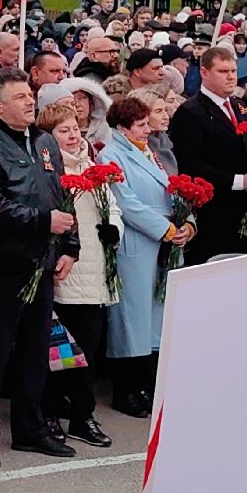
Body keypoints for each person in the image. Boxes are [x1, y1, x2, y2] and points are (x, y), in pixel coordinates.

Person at [0, 70, 77, 467]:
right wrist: (43, 221)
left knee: (34, 352)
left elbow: (61, 193)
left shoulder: (44, 141)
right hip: (2, 266)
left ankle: (31, 430)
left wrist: (70, 246)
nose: (30, 102)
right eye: (20, 97)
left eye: (30, 95)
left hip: (41, 262)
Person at [37, 98, 114, 448]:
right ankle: (50, 412)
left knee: (89, 349)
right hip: (66, 273)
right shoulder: (50, 172)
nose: (71, 136)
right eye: (62, 131)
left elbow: (111, 206)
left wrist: (114, 226)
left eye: (74, 129)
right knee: (59, 353)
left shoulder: (91, 166)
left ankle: (83, 415)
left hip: (95, 270)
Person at [96, 95, 178, 419]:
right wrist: (166, 228)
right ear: (122, 127)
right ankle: (125, 388)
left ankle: (145, 384)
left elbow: (171, 191)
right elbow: (126, 203)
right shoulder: (112, 156)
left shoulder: (151, 154)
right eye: (141, 125)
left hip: (162, 237)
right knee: (131, 319)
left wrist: (185, 222)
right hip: (137, 240)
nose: (147, 130)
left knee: (155, 317)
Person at [168, 46, 247, 263]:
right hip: (214, 213)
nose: (230, 77)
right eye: (222, 71)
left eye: (233, 70)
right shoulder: (191, 112)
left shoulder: (240, 106)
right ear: (204, 72)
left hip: (245, 209)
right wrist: (239, 181)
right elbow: (190, 166)